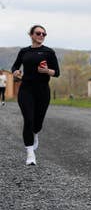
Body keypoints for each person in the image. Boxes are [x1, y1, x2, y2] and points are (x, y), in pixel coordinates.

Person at [11, 25, 60, 165]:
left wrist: (46, 71)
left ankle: (35, 133)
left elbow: (56, 72)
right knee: (28, 119)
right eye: (38, 33)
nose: (41, 35)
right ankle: (30, 153)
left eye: (44, 33)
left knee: (37, 123)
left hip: (43, 90)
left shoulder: (49, 52)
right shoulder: (24, 51)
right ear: (31, 35)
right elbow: (15, 66)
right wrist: (16, 72)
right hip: (26, 89)